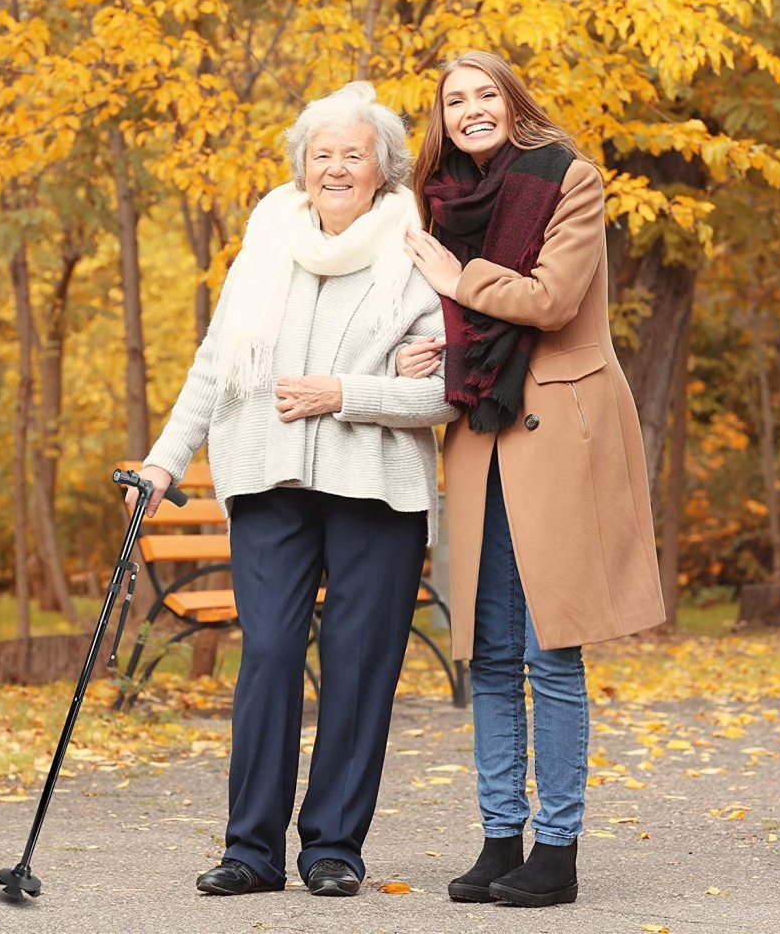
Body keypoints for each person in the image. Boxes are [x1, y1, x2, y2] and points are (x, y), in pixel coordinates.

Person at [126, 82, 458, 898]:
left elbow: (453, 392)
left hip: (376, 486)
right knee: (270, 654)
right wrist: (165, 462)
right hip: (265, 476)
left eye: (354, 155)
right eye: (323, 155)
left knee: (360, 663)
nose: (336, 168)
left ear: (383, 168)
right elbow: (214, 364)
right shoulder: (266, 242)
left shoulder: (419, 252)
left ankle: (334, 848)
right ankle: (251, 850)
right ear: (301, 167)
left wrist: (344, 394)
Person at [399, 50, 665, 908]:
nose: (471, 110)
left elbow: (551, 301)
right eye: (455, 101)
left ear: (513, 103)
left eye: (486, 95)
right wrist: (439, 342)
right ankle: (497, 837)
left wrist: (455, 280)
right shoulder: (442, 203)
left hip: (559, 427)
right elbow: (470, 317)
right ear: (441, 120)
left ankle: (557, 852)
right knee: (488, 650)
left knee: (553, 649)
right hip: (483, 427)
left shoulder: (569, 179)